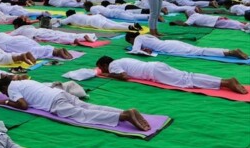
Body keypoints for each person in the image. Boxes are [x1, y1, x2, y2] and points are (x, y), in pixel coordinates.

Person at [0, 78, 150, 130]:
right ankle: (124, 111)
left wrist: (4, 101)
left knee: (84, 114)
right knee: (88, 107)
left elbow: (23, 105)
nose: (6, 94)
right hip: (59, 93)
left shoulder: (11, 88)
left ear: (4, 87)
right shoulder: (24, 81)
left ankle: (123, 116)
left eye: (3, 92)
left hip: (54, 101)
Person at [96, 56, 247, 94]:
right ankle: (226, 81)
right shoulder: (122, 60)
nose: (103, 71)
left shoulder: (113, 65)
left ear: (104, 65)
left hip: (154, 71)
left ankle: (226, 83)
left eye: (101, 69)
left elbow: (123, 77)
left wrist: (107, 76)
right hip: (156, 66)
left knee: (187, 81)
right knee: (189, 76)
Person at [124, 32, 248, 59]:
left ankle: (231, 52)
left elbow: (135, 51)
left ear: (131, 38)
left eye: (130, 42)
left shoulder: (138, 38)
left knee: (200, 52)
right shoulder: (146, 35)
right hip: (172, 43)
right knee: (200, 50)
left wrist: (128, 50)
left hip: (171, 48)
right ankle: (229, 51)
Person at [0, 26, 73, 59]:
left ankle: (56, 51)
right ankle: (56, 50)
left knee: (33, 51)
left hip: (12, 43)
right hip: (20, 39)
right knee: (36, 48)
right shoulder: (0, 34)